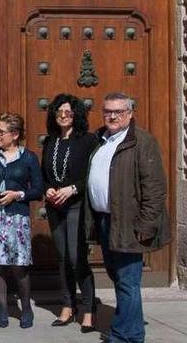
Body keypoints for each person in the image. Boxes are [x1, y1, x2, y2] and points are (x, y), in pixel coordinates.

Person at [86, 92, 171, 343]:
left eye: (118, 112)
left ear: (130, 114)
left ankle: (126, 336)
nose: (112, 116)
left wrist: (147, 223)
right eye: (107, 111)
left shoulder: (142, 141)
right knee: (119, 277)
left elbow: (155, 186)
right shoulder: (101, 139)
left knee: (127, 280)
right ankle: (132, 330)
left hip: (130, 223)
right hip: (106, 220)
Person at [0, 112, 42, 329]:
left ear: (14, 135)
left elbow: (38, 190)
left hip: (16, 219)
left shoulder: (28, 157)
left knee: (19, 266)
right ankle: (2, 307)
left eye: (0, 132)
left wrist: (17, 194)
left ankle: (25, 307)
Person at [40, 94, 97, 331]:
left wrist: (72, 188)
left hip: (76, 205)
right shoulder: (50, 141)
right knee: (63, 258)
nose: (63, 116)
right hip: (55, 207)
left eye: (68, 112)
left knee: (76, 258)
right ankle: (67, 305)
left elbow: (94, 175)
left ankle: (89, 309)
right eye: (59, 112)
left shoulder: (88, 140)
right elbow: (44, 176)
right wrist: (49, 189)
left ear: (76, 115)